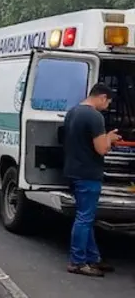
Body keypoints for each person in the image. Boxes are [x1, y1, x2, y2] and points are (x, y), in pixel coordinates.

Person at [63, 82, 120, 277]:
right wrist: (109, 139)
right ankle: (77, 262)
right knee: (84, 218)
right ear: (102, 97)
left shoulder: (73, 112)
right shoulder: (95, 116)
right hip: (88, 174)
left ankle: (93, 257)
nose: (107, 107)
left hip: (73, 171)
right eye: (108, 103)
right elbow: (101, 149)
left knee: (85, 217)